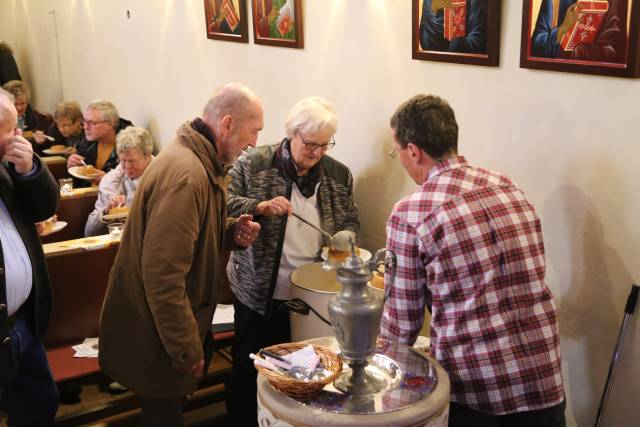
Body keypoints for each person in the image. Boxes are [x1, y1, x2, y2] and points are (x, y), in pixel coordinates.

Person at [380, 94, 565, 427]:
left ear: (413, 151)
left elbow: (402, 322)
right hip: (543, 374)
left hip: (478, 390)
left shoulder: (410, 214)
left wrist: (376, 374)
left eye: (397, 153)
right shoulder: (506, 185)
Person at [99, 82, 263, 427]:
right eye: (254, 130)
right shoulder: (188, 176)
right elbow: (163, 276)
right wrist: (186, 349)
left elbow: (188, 236)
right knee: (163, 417)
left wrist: (229, 231)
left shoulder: (197, 161)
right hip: (156, 330)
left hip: (161, 326)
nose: (255, 142)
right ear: (228, 124)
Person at [225, 96, 360, 426]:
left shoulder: (338, 176)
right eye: (310, 143)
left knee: (303, 373)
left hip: (310, 295)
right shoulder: (253, 163)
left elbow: (351, 222)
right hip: (258, 290)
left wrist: (345, 237)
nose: (315, 153)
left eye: (324, 145)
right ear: (291, 134)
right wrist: (260, 206)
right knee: (250, 368)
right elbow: (223, 204)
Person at [0, 89, 59, 424]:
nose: (19, 136)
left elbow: (44, 208)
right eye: (11, 130)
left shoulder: (6, 166)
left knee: (39, 404)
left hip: (21, 319)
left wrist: (29, 171)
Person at [84, 126, 154, 236]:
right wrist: (106, 213)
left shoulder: (160, 179)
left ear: (148, 156)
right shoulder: (110, 182)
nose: (127, 167)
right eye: (123, 160)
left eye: (132, 161)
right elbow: (89, 233)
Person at [531, 0, 627, 62]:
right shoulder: (554, 2)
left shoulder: (616, 2)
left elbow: (616, 49)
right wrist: (562, 29)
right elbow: (536, 46)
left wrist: (582, 51)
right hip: (559, 75)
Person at [66, 100, 133, 186]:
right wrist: (71, 168)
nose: (85, 127)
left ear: (110, 124)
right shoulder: (87, 142)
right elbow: (78, 183)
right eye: (85, 122)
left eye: (91, 123)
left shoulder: (129, 146)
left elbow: (133, 187)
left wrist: (108, 180)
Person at [419, 0, 487, 53]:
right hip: (432, 61)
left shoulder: (476, 3)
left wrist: (457, 43)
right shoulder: (429, 2)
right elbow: (426, 41)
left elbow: (478, 41)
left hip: (464, 62)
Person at [2, 80, 53, 150]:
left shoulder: (42, 120)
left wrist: (41, 143)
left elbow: (49, 149)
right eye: (15, 104)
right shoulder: (1, 121)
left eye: (23, 103)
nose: (19, 108)